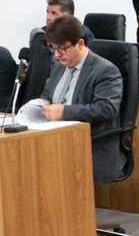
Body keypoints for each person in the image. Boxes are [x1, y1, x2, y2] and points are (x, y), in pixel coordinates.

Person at [40, 14, 125, 182]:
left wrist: (64, 111)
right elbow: (48, 94)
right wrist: (41, 102)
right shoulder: (59, 65)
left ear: (80, 44)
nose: (57, 55)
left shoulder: (106, 70)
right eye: (53, 48)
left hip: (89, 143)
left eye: (62, 49)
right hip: (56, 139)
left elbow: (106, 109)